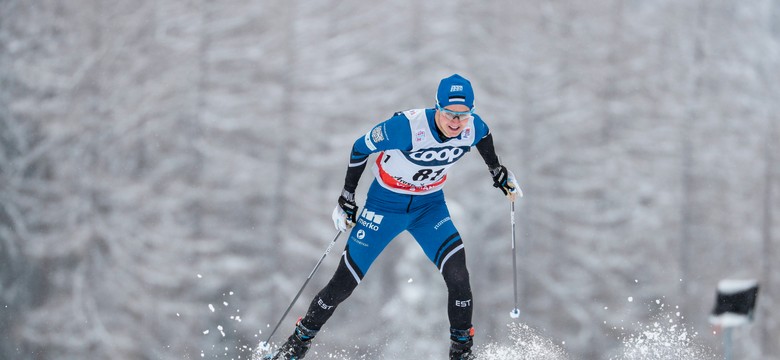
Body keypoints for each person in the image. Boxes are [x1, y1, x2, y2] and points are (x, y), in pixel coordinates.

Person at [268, 74, 520, 360]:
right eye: (450, 114)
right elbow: (359, 147)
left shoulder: (473, 128)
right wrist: (347, 197)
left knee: (459, 275)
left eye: (463, 116)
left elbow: (484, 138)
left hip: (429, 208)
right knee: (343, 284)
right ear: (437, 107)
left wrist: (496, 170)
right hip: (384, 206)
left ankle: (461, 353)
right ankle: (295, 345)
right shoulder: (406, 128)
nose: (456, 122)